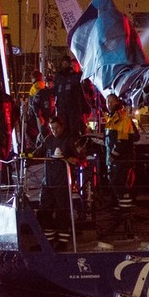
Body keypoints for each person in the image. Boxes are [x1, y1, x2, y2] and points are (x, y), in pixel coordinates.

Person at [31, 116, 78, 248]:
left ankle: (63, 242)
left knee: (62, 212)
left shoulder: (69, 141)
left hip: (62, 183)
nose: (55, 130)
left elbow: (79, 158)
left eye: (57, 127)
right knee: (44, 211)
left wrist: (69, 159)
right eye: (52, 128)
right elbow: (37, 152)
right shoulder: (48, 140)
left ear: (62, 127)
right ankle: (48, 241)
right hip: (48, 182)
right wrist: (27, 156)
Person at [104, 93, 139, 208]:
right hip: (115, 159)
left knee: (119, 183)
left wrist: (114, 154)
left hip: (122, 159)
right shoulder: (112, 118)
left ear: (117, 102)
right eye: (107, 101)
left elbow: (122, 140)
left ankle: (125, 210)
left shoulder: (122, 118)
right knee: (115, 183)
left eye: (111, 101)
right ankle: (118, 207)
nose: (108, 104)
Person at [53, 55, 89, 142]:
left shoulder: (75, 76)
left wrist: (83, 109)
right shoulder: (58, 77)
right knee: (63, 130)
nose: (64, 64)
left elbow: (82, 92)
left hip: (73, 110)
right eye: (63, 62)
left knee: (74, 132)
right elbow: (55, 93)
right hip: (62, 110)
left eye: (66, 62)